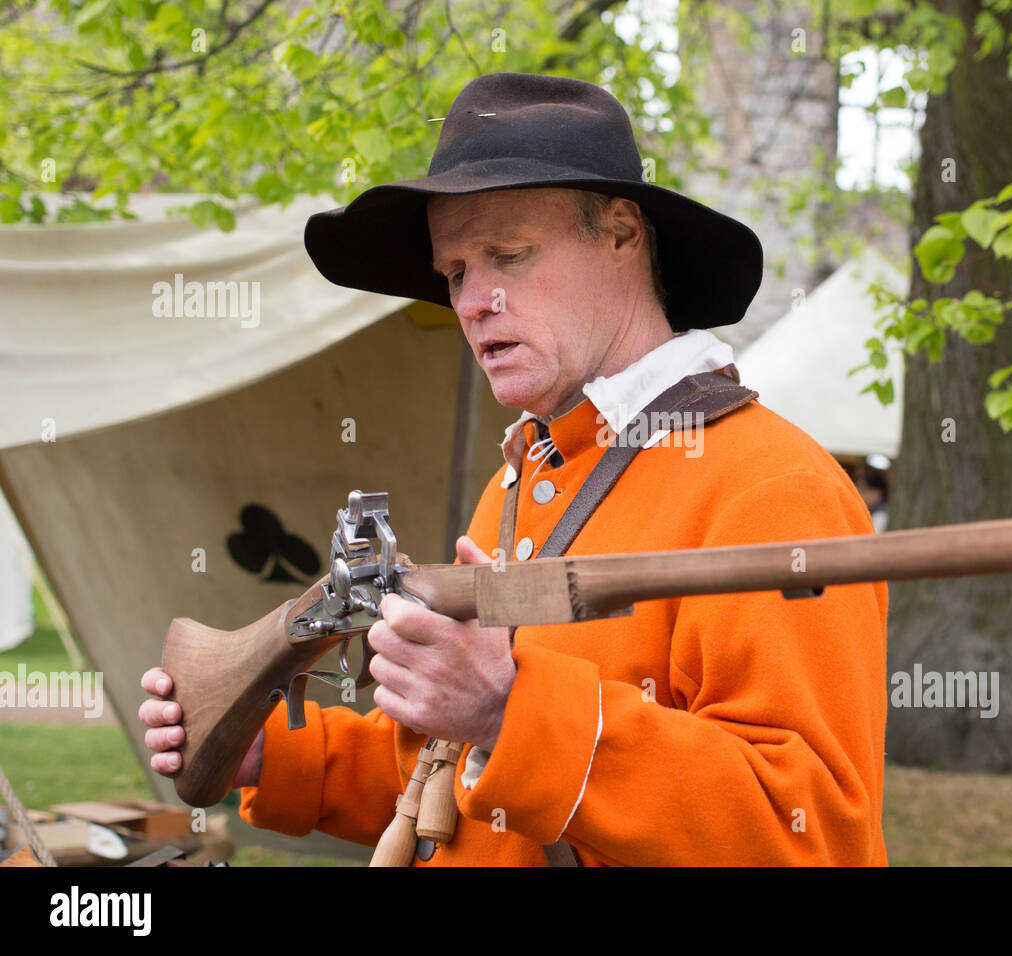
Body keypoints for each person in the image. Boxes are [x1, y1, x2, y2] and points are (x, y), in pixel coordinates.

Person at [138, 72, 888, 866]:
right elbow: (456, 783)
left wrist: (511, 710)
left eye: (508, 254)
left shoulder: (772, 486)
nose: (472, 300)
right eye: (456, 271)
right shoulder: (529, 469)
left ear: (623, 233)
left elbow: (808, 833)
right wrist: (274, 756)